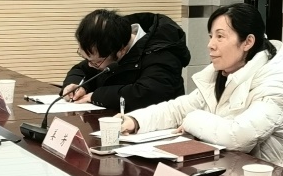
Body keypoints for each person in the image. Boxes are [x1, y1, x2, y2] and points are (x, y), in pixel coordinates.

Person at [121, 3, 283, 166]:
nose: (210, 45)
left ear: (248, 42)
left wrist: (191, 120)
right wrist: (136, 120)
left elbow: (238, 137)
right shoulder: (224, 72)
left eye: (220, 36)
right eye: (211, 36)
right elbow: (180, 108)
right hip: (223, 168)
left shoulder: (276, 85)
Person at [61, 9, 190, 111]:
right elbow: (81, 69)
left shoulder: (162, 55)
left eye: (96, 62)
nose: (90, 65)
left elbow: (146, 94)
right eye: (86, 58)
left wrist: (96, 96)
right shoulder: (110, 43)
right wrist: (76, 85)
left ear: (121, 51)